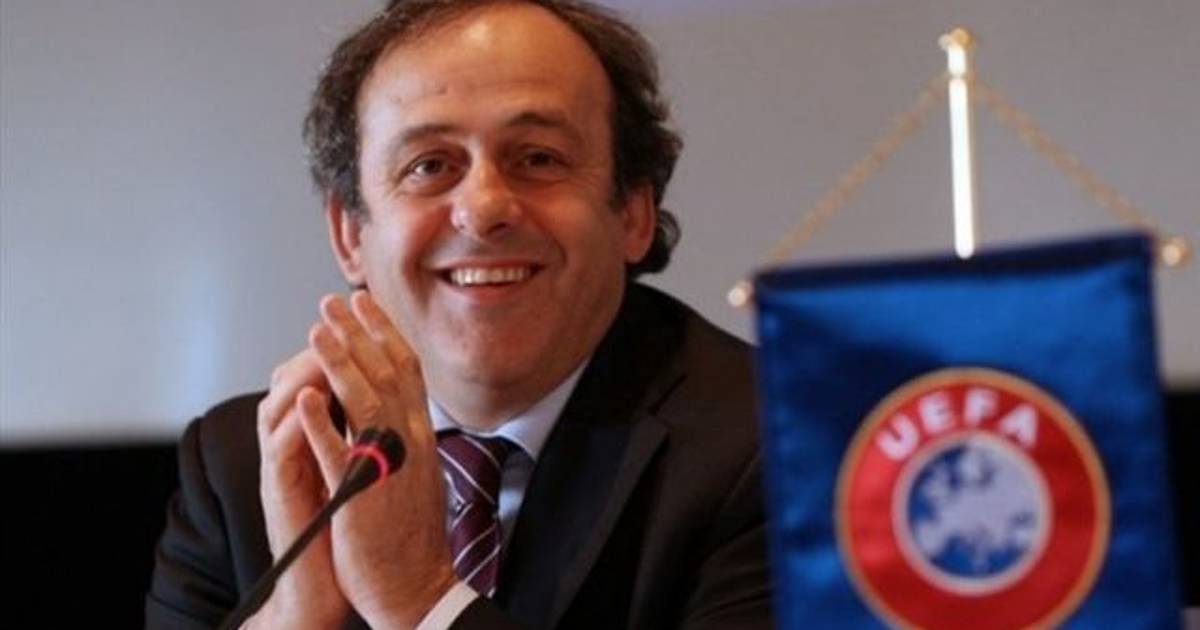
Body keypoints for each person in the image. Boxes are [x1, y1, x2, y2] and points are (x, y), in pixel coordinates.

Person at [145, 1, 771, 628]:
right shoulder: (247, 467)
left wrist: (418, 596)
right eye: (429, 166)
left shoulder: (774, 446)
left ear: (633, 213)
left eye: (539, 158)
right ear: (350, 234)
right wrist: (294, 616)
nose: (484, 208)